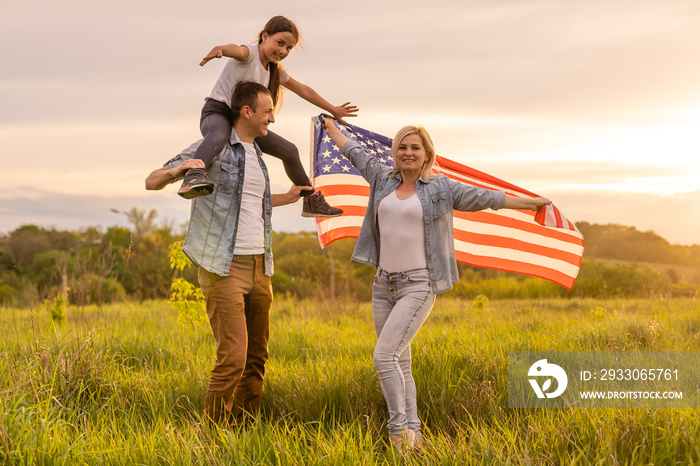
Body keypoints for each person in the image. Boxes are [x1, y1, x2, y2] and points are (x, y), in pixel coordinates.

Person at [321, 115, 551, 452]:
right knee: (400, 362)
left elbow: (486, 197)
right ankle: (416, 437)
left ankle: (398, 433)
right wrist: (331, 129)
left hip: (419, 285)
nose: (408, 152)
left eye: (415, 147)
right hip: (383, 286)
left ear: (427, 154)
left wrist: (529, 202)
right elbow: (354, 152)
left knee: (384, 357)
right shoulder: (381, 179)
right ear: (395, 152)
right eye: (402, 146)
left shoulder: (442, 189)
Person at [146, 82, 311, 426]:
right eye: (267, 111)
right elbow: (151, 180)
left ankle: (243, 427)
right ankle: (213, 434)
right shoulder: (214, 148)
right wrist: (176, 171)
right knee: (233, 358)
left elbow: (249, 202)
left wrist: (289, 196)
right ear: (246, 112)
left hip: (260, 266)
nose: (272, 119)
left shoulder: (258, 156)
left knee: (256, 357)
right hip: (223, 266)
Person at [179, 15, 357, 220]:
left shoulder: (274, 70)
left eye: (288, 48)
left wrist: (333, 109)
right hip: (218, 112)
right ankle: (193, 177)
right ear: (264, 36)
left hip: (244, 123)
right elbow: (235, 49)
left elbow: (303, 89)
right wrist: (220, 49)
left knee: (289, 150)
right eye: (280, 43)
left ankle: (310, 199)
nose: (283, 51)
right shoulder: (249, 54)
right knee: (219, 134)